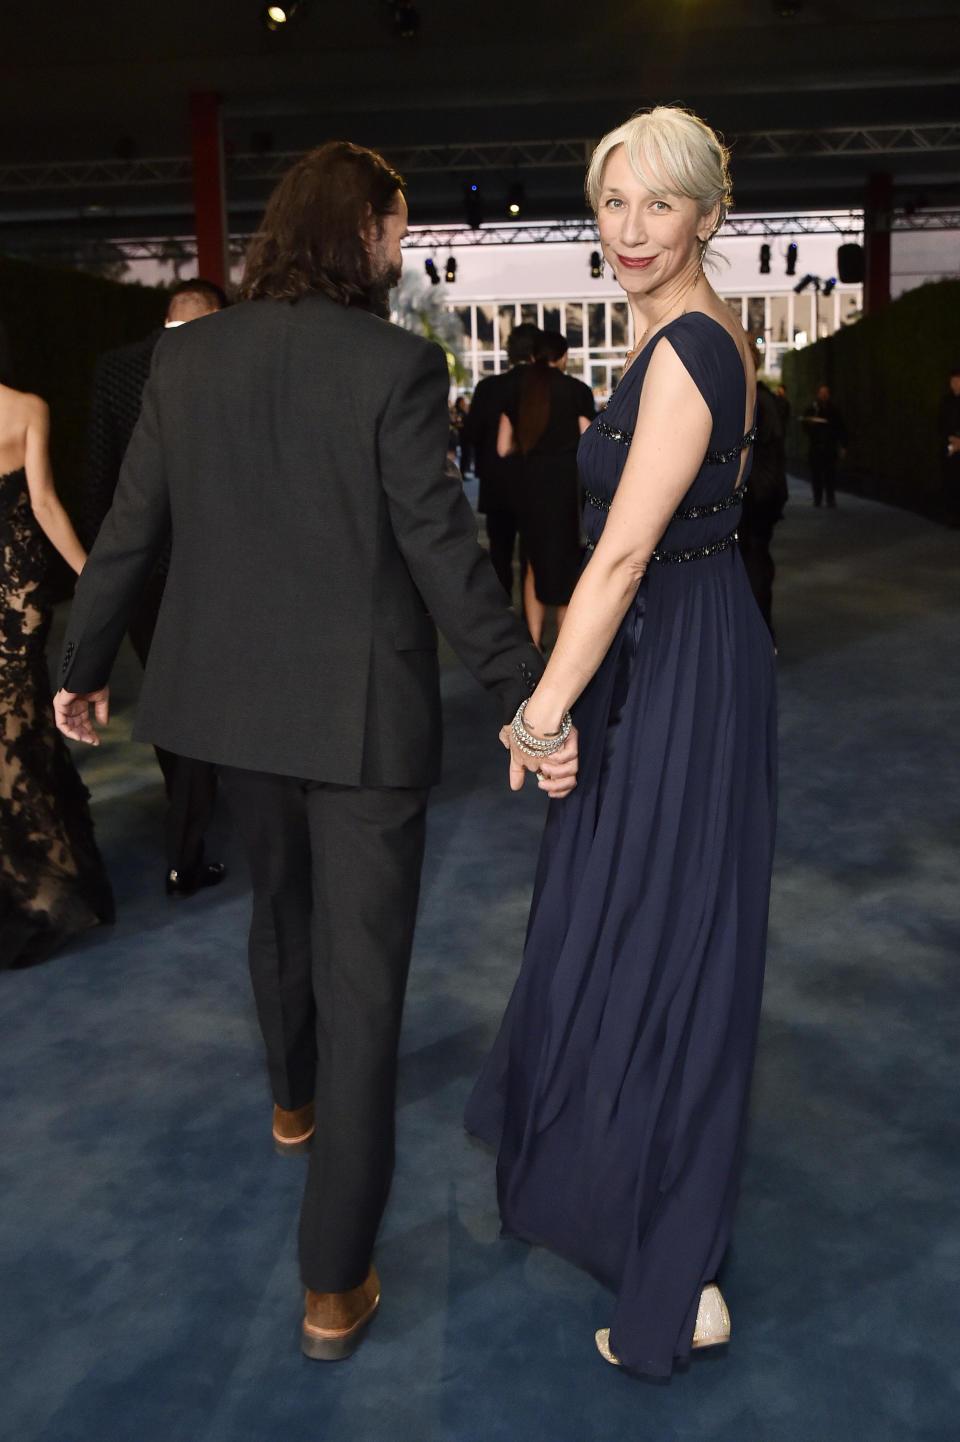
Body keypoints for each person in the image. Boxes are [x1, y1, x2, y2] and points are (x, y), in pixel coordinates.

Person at [52, 141, 552, 1362]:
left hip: (226, 708)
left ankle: (292, 1100)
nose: (403, 244)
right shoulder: (394, 362)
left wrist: (80, 664)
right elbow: (443, 553)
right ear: (365, 232)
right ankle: (333, 1285)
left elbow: (130, 522)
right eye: (397, 226)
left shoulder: (189, 356)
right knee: (364, 977)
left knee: (276, 907)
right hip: (365, 718)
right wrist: (530, 692)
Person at [466, 105, 777, 1379]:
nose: (633, 230)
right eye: (612, 203)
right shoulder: (669, 335)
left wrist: (541, 711)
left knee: (669, 949)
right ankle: (659, 1222)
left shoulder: (694, 349)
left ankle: (679, 1266)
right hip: (665, 655)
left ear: (710, 212)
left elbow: (624, 552)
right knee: (632, 930)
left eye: (661, 204)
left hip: (679, 669)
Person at [81, 278, 229, 897]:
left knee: (173, 701)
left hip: (143, 574)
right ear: (215, 317)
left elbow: (99, 481)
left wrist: (107, 579)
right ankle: (185, 848)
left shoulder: (115, 370)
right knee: (198, 706)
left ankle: (187, 816)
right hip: (211, 567)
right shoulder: (227, 362)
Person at [0, 375, 114, 967]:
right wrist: (98, 581)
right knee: (21, 734)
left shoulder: (27, 408)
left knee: (15, 738)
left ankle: (41, 892)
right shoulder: (27, 407)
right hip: (19, 591)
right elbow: (42, 503)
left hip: (14, 595)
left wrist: (96, 580)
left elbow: (44, 503)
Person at [498, 330, 595, 647]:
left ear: (532, 357)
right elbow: (588, 438)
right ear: (563, 356)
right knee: (568, 563)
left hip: (531, 483)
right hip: (567, 485)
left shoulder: (518, 391)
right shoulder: (576, 390)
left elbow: (502, 447)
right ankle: (565, 646)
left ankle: (534, 640)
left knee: (532, 562)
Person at [460, 322, 540, 599]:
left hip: (497, 481)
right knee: (534, 553)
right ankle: (533, 619)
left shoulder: (488, 387)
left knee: (500, 551)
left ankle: (502, 607)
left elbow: (470, 432)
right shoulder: (547, 386)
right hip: (537, 483)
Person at [738, 341, 788, 638]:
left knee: (754, 560)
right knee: (756, 559)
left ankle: (759, 635)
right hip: (764, 492)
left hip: (756, 495)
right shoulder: (761, 398)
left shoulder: (754, 400)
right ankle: (760, 633)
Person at [801, 382, 846, 507]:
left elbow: (841, 428)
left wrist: (843, 445)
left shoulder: (834, 410)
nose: (824, 396)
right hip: (816, 446)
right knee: (816, 474)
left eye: (826, 393)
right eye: (822, 393)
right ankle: (818, 498)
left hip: (829, 446)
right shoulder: (813, 409)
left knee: (830, 474)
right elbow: (805, 424)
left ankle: (830, 498)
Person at [937, 366, 960, 527]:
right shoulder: (946, 401)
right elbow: (940, 423)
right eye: (952, 381)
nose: (955, 384)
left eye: (957, 381)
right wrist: (949, 438)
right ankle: (951, 515)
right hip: (950, 445)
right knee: (950, 480)